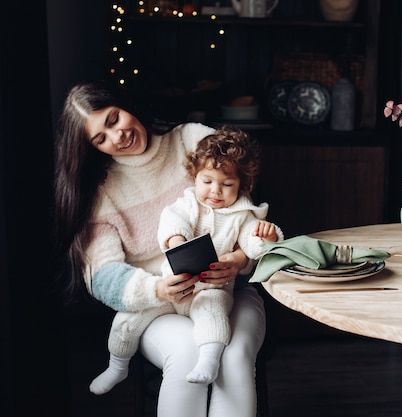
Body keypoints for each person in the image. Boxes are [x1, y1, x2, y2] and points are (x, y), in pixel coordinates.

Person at [53, 80, 267, 417]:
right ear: (93, 148)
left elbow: (244, 216)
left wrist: (239, 260)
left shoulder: (192, 139)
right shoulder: (100, 191)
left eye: (113, 120)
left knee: (235, 354)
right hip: (158, 305)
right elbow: (102, 276)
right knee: (186, 353)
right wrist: (158, 289)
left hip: (229, 290)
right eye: (100, 138)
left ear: (124, 104)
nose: (117, 137)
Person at [91, 126, 282, 393]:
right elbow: (173, 220)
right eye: (207, 182)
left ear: (242, 185)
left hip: (211, 289)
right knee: (128, 318)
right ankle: (117, 366)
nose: (215, 191)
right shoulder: (189, 201)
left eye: (227, 184)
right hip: (173, 285)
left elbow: (253, 243)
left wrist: (266, 238)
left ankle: (209, 360)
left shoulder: (244, 214)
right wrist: (178, 242)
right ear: (195, 177)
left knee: (214, 316)